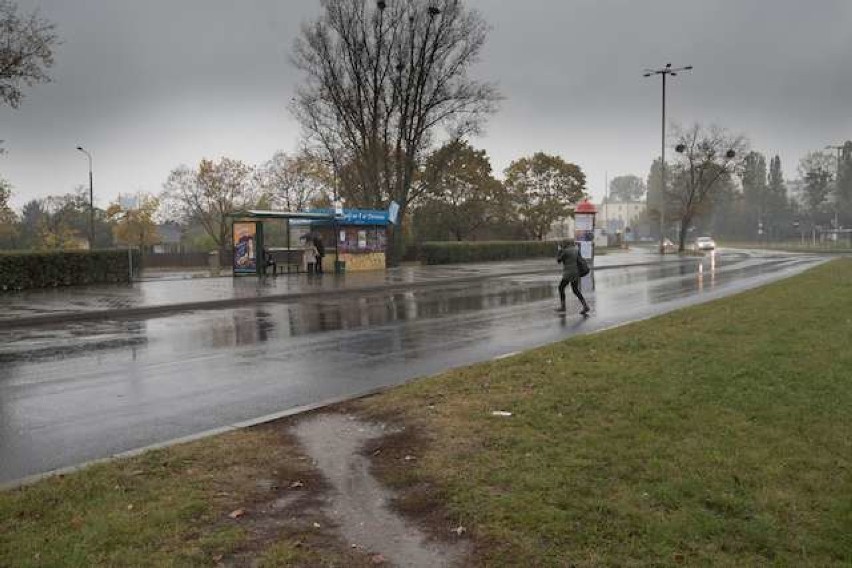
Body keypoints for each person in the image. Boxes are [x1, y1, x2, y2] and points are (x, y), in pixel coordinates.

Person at [556, 241, 590, 315]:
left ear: (565, 245)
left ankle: (563, 306)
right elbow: (580, 260)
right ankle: (585, 306)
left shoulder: (565, 251)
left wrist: (559, 251)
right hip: (576, 272)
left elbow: (558, 260)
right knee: (575, 290)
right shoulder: (576, 250)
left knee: (561, 287)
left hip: (568, 273)